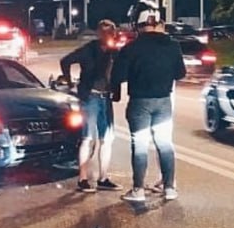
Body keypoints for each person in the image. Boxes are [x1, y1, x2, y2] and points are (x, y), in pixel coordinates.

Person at [110, 12, 186, 202]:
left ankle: (138, 190)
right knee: (165, 144)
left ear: (139, 26)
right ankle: (169, 188)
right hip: (163, 101)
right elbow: (181, 73)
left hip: (140, 102)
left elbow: (118, 75)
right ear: (159, 24)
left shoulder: (131, 48)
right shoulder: (173, 46)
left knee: (140, 145)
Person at [60, 19, 121, 192]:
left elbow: (120, 72)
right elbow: (66, 61)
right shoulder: (89, 49)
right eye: (104, 32)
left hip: (106, 98)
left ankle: (103, 178)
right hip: (91, 97)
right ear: (99, 33)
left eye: (111, 33)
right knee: (87, 138)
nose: (108, 36)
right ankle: (83, 179)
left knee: (106, 139)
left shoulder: (114, 52)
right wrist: (70, 81)